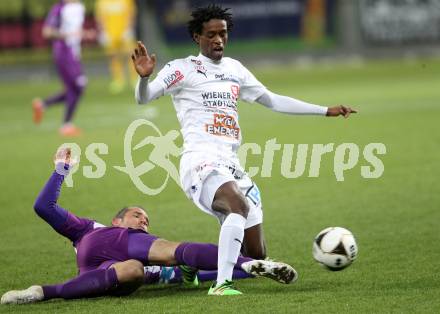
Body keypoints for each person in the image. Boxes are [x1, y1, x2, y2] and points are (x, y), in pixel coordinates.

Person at [131, 4, 356, 295]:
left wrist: (325, 110)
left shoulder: (234, 69)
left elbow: (273, 100)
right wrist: (144, 78)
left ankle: (189, 268)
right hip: (200, 160)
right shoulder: (182, 69)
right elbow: (143, 98)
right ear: (197, 36)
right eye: (211, 34)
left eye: (222, 33)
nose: (218, 40)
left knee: (255, 256)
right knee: (237, 206)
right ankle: (221, 286)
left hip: (231, 164)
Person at [0, 148, 296, 304]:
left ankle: (39, 293)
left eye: (146, 219)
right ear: (117, 221)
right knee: (172, 249)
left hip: (102, 273)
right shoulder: (90, 229)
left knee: (136, 272)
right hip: (102, 245)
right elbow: (43, 207)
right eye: (137, 215)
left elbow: (197, 274)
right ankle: (251, 263)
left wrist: (242, 271)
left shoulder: (148, 266)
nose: (144, 220)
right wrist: (61, 170)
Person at [32, 0, 93, 137]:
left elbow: (75, 29)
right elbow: (47, 32)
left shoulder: (79, 7)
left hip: (74, 53)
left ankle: (42, 105)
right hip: (63, 51)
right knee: (79, 84)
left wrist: (85, 34)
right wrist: (69, 35)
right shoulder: (59, 9)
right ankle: (66, 125)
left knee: (75, 88)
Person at [95, 0, 137, 93]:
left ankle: (134, 78)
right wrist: (103, 32)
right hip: (110, 34)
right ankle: (118, 80)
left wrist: (129, 29)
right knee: (114, 57)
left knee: (131, 55)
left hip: (124, 32)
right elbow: (100, 18)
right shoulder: (102, 2)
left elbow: (131, 14)